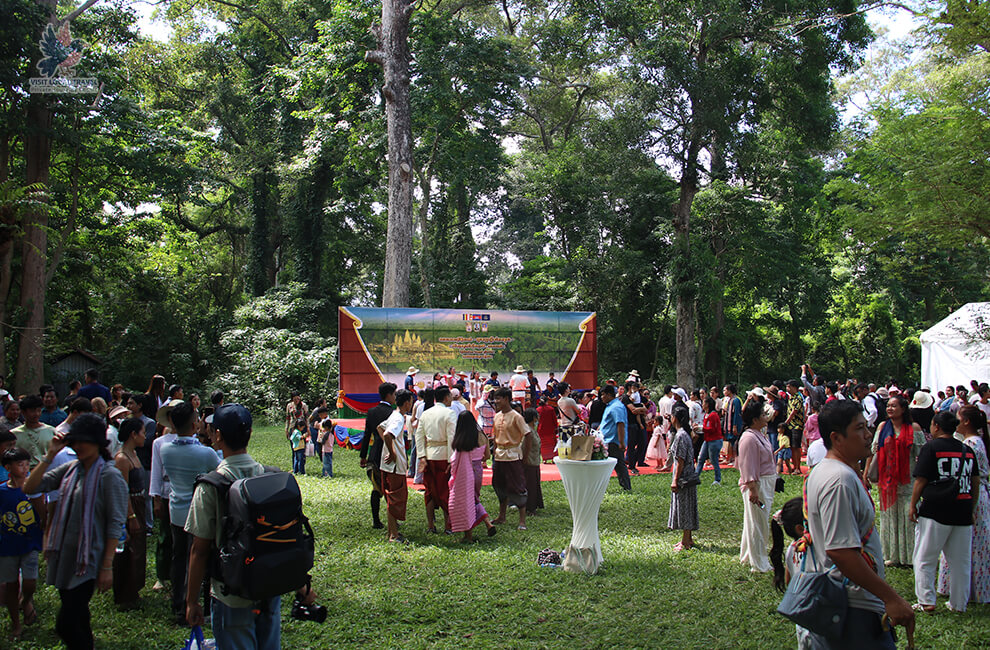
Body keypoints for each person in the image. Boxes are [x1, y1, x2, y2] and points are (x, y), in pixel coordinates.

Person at [805, 399, 914, 649]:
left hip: (846, 601)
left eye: (867, 427)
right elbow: (841, 551)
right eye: (859, 429)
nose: (868, 435)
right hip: (854, 607)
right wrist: (891, 597)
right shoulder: (839, 480)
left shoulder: (829, 471)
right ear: (837, 437)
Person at [23, 413, 128, 650]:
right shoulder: (71, 469)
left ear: (98, 444)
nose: (78, 446)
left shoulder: (109, 476)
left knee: (66, 624)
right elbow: (31, 487)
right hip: (66, 555)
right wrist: (50, 454)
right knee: (79, 618)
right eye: (75, 441)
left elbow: (115, 523)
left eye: (84, 441)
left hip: (88, 559)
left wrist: (107, 566)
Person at [184, 404, 280, 648]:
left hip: (231, 595)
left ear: (217, 436)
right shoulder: (270, 477)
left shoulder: (211, 486)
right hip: (268, 588)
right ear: (249, 434)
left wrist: (192, 601)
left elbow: (199, 549)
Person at [909, 410, 977, 613]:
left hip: (935, 510)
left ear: (936, 427)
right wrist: (972, 508)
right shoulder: (967, 450)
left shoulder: (931, 448)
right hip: (962, 510)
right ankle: (959, 604)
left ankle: (926, 600)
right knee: (960, 562)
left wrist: (913, 505)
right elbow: (975, 482)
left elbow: (921, 480)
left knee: (925, 557)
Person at [159, 401, 220, 625]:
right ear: (195, 424)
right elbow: (220, 469)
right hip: (199, 513)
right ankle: (200, 603)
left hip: (176, 510)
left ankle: (178, 602)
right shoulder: (204, 454)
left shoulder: (164, 449)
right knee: (201, 559)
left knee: (179, 558)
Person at [937, 405, 990, 603]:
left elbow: (973, 476)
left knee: (969, 545)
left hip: (972, 496)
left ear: (966, 422)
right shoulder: (974, 441)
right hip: (975, 494)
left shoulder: (971, 444)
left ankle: (970, 589)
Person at [871, 394, 926, 566]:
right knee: (889, 517)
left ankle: (910, 557)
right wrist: (867, 473)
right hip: (887, 481)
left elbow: (922, 456)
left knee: (909, 517)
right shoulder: (882, 427)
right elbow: (874, 452)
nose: (889, 408)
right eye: (888, 405)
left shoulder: (914, 429)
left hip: (908, 480)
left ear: (903, 409)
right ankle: (891, 556)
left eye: (894, 406)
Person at [0, 448, 44, 640]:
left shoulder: (33, 488)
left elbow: (43, 512)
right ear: (8, 467)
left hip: (30, 543)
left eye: (27, 464)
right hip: (8, 545)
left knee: (30, 583)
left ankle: (25, 601)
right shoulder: (2, 491)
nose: (25, 468)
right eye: (20, 464)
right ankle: (16, 624)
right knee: (11, 585)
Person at [768, 497, 822, 649]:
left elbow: (789, 581)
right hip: (820, 620)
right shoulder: (816, 549)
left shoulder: (791, 550)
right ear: (800, 528)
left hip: (802, 621)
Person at [111, 418, 147, 610]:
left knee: (138, 549)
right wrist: (130, 516)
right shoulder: (122, 459)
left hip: (139, 502)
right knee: (127, 551)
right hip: (130, 506)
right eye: (142, 432)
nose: (145, 436)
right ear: (133, 434)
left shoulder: (134, 454)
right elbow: (122, 490)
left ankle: (134, 590)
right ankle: (125, 595)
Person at [737, 399, 776, 573]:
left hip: (765, 482)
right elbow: (748, 465)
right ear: (754, 419)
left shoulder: (760, 434)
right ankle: (759, 562)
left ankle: (748, 555)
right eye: (762, 415)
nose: (765, 416)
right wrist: (753, 488)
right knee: (758, 523)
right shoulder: (749, 438)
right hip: (757, 485)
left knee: (756, 521)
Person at [448, 411, 496, 543]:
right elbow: (487, 456)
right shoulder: (481, 436)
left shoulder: (461, 440)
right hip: (478, 470)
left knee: (467, 501)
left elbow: (455, 460)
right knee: (474, 499)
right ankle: (487, 523)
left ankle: (469, 533)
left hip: (465, 473)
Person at [416, 386, 455, 533]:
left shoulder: (426, 414)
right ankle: (447, 525)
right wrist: (452, 459)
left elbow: (418, 435)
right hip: (444, 456)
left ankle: (430, 526)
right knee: (445, 491)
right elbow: (452, 437)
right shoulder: (449, 414)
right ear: (445, 398)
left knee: (430, 491)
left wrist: (421, 456)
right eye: (450, 396)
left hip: (429, 455)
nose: (451, 398)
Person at [490, 388, 528, 529]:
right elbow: (495, 435)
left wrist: (525, 454)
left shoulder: (516, 416)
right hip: (499, 455)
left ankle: (522, 521)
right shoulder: (497, 416)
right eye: (495, 398)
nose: (496, 401)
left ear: (506, 399)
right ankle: (502, 516)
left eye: (499, 398)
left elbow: (527, 434)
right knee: (499, 485)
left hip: (513, 455)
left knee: (517, 486)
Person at [360, 383, 396, 530]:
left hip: (374, 454)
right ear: (388, 395)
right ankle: (393, 519)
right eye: (394, 394)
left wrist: (363, 456)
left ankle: (376, 520)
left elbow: (367, 434)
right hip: (389, 452)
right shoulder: (393, 413)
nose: (395, 397)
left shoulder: (372, 411)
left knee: (376, 488)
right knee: (391, 487)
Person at [379, 390, 412, 543]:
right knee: (395, 498)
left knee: (391, 498)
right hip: (394, 466)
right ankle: (393, 535)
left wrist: (388, 448)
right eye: (410, 401)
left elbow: (381, 428)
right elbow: (386, 434)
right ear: (406, 403)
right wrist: (392, 452)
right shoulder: (398, 419)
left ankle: (392, 532)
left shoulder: (394, 415)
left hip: (388, 466)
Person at [669, 407, 699, 551]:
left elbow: (680, 460)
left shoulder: (681, 436)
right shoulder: (685, 434)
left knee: (684, 507)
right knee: (688, 505)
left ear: (676, 418)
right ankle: (688, 538)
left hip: (684, 476)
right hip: (688, 474)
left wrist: (675, 479)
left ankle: (685, 541)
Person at [599, 385, 631, 491]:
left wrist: (621, 442)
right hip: (606, 440)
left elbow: (620, 424)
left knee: (619, 465)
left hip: (613, 441)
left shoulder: (616, 407)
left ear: (609, 395)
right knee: (616, 464)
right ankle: (625, 486)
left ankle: (626, 486)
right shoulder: (610, 406)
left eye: (603, 394)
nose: (602, 397)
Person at [11, 395, 55, 469]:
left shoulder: (51, 431)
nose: (36, 414)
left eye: (39, 410)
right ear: (23, 412)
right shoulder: (14, 434)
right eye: (32, 411)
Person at [696, 396, 722, 485]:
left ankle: (717, 479)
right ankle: (696, 477)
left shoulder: (713, 415)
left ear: (707, 404)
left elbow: (712, 429)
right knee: (701, 458)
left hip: (714, 440)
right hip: (707, 440)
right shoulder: (707, 415)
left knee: (714, 460)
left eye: (703, 403)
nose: (702, 405)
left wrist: (700, 428)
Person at [522, 408, 544, 515]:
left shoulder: (532, 429)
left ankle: (533, 505)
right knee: (530, 485)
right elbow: (527, 448)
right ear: (533, 418)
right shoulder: (528, 431)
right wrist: (525, 460)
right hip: (530, 462)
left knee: (534, 484)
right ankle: (530, 508)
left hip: (534, 460)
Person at [784, 380, 806, 473]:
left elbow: (794, 411)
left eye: (789, 386)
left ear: (794, 387)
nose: (787, 388)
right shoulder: (790, 397)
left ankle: (797, 467)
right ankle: (794, 466)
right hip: (790, 426)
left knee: (796, 447)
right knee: (792, 447)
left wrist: (787, 421)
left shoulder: (798, 397)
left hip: (796, 425)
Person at [721, 384, 743, 466]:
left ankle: (734, 458)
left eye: (725, 390)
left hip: (734, 424)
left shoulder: (736, 400)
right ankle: (729, 458)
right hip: (728, 424)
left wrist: (734, 426)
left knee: (734, 441)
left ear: (730, 391)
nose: (724, 392)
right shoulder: (729, 400)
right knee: (730, 441)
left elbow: (737, 413)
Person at [535, 397, 557, 463]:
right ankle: (553, 459)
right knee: (552, 445)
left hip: (541, 430)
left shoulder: (537, 409)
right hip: (551, 429)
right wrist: (556, 427)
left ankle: (545, 459)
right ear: (547, 401)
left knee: (543, 445)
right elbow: (554, 420)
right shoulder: (551, 409)